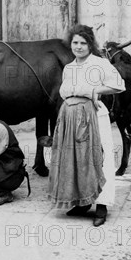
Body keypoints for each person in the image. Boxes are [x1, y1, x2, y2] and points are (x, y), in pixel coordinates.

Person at [48, 24, 125, 227]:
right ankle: (83, 202)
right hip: (71, 119)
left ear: (90, 44)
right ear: (70, 44)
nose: (79, 47)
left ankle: (102, 205)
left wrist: (93, 90)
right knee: (76, 159)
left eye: (83, 43)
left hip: (94, 117)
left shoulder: (100, 64)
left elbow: (119, 85)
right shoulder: (69, 67)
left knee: (99, 159)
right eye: (75, 43)